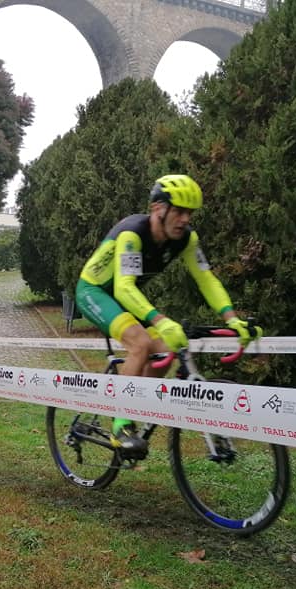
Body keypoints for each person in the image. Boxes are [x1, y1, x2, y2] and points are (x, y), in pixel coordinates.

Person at [75, 174, 260, 456]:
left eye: (190, 213)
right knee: (141, 343)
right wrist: (160, 320)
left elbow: (206, 279)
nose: (186, 219)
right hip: (95, 292)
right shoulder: (132, 234)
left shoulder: (186, 239)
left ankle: (136, 402)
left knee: (165, 351)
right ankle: (121, 425)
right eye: (180, 211)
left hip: (125, 294)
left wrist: (231, 318)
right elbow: (124, 288)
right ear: (158, 209)